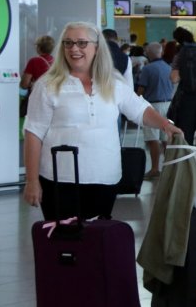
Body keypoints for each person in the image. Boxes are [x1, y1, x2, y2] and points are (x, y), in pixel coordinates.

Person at [23, 22, 182, 221]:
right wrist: (32, 181)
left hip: (105, 178)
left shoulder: (112, 83)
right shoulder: (47, 85)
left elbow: (140, 110)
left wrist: (165, 124)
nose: (74, 49)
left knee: (97, 243)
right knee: (64, 245)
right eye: (68, 43)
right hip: (59, 180)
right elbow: (33, 133)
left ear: (96, 48)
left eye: (82, 43)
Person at [136, 42, 175, 178]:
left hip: (152, 106)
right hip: (169, 105)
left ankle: (154, 169)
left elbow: (141, 90)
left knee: (153, 140)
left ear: (148, 53)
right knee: (166, 139)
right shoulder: (169, 67)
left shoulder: (148, 69)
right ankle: (168, 169)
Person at [20, 35, 56, 118]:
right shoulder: (56, 62)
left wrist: (32, 84)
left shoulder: (34, 61)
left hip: (36, 99)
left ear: (39, 47)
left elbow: (24, 85)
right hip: (52, 99)